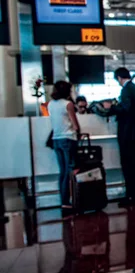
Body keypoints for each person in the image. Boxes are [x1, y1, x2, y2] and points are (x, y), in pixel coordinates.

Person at [107, 68, 135, 207]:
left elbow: (125, 108)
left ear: (119, 78)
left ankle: (131, 195)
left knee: (128, 164)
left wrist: (112, 108)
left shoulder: (126, 90)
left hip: (127, 133)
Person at [49, 81, 81, 213]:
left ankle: (63, 201)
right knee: (69, 171)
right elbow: (75, 124)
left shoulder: (50, 104)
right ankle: (66, 202)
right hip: (68, 138)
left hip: (56, 139)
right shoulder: (68, 104)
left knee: (62, 171)